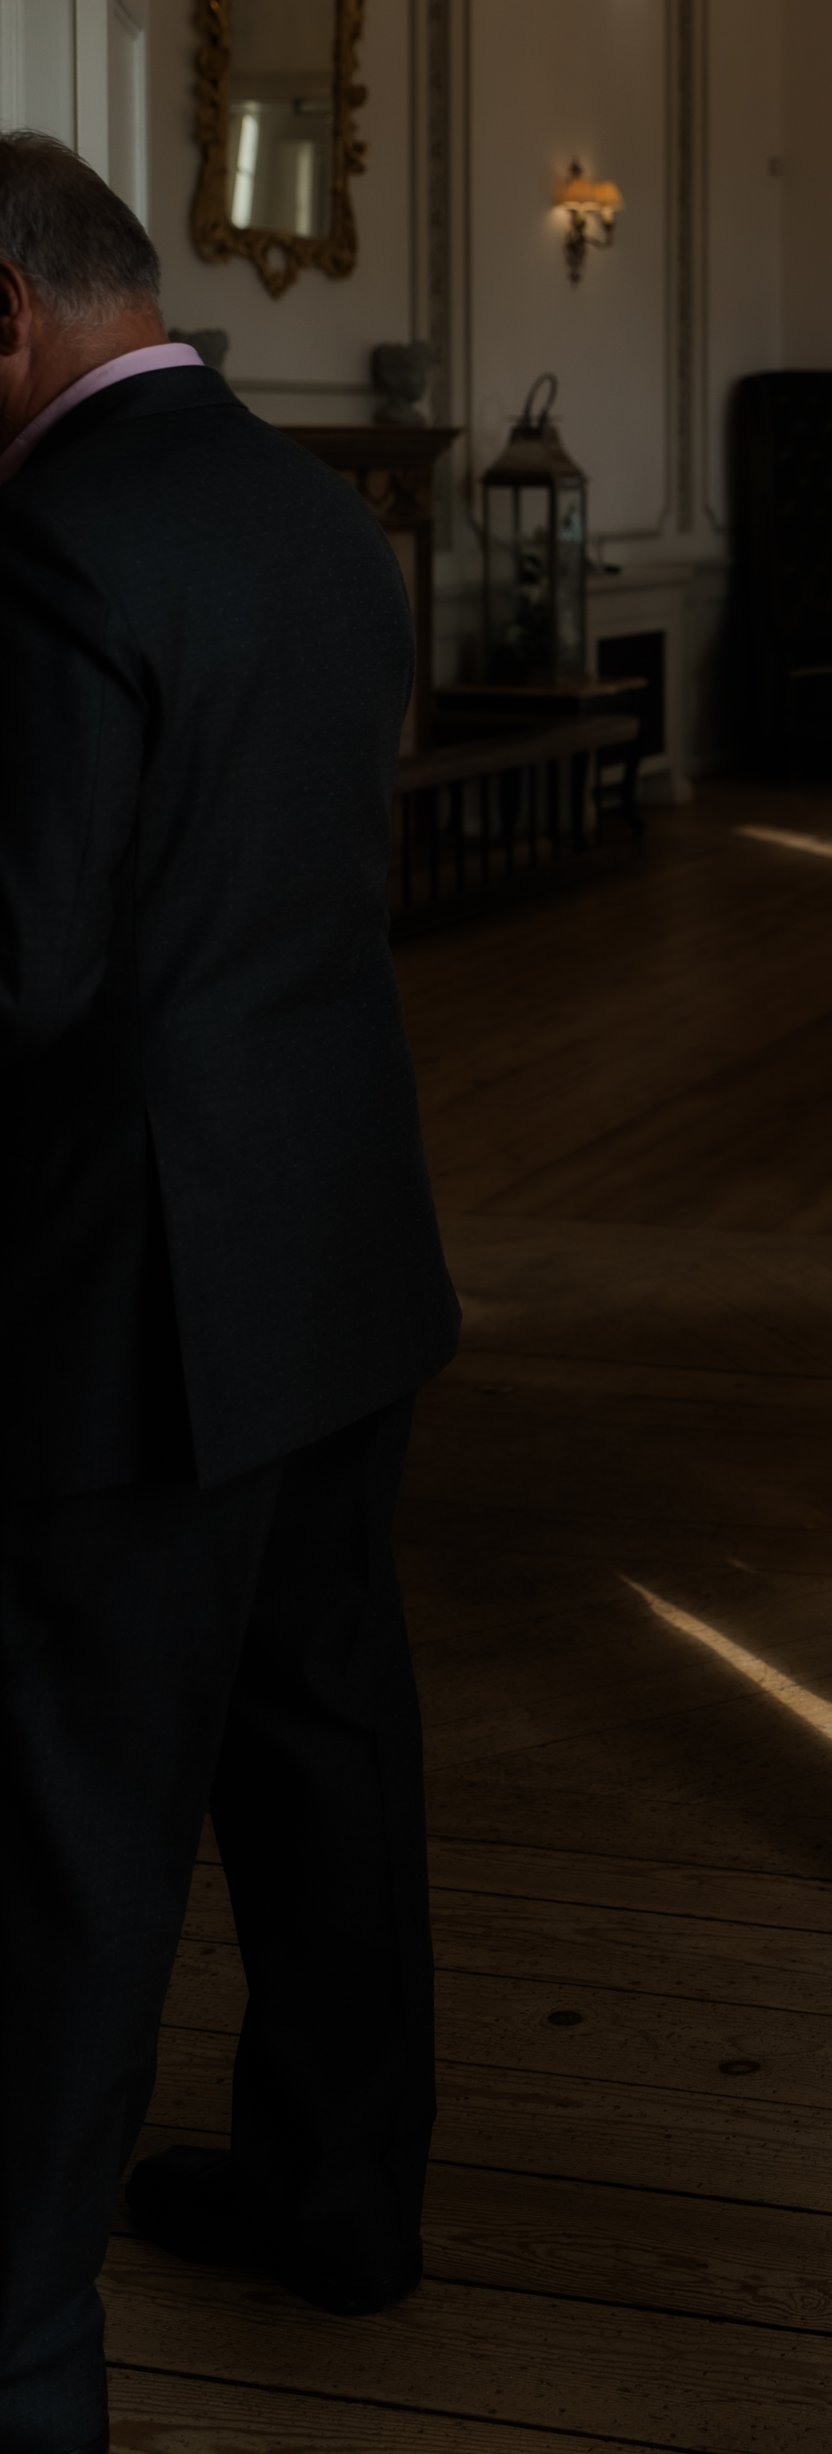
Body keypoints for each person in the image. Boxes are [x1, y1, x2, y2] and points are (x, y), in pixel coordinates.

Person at [0, 133, 458, 2454]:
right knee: (321, 1747)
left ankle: (21, 2350)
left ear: (1, 312)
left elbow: (23, 963)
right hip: (340, 1245)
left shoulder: (55, 541)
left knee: (76, 1816)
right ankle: (340, 2189)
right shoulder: (309, 509)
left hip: (136, 1293)